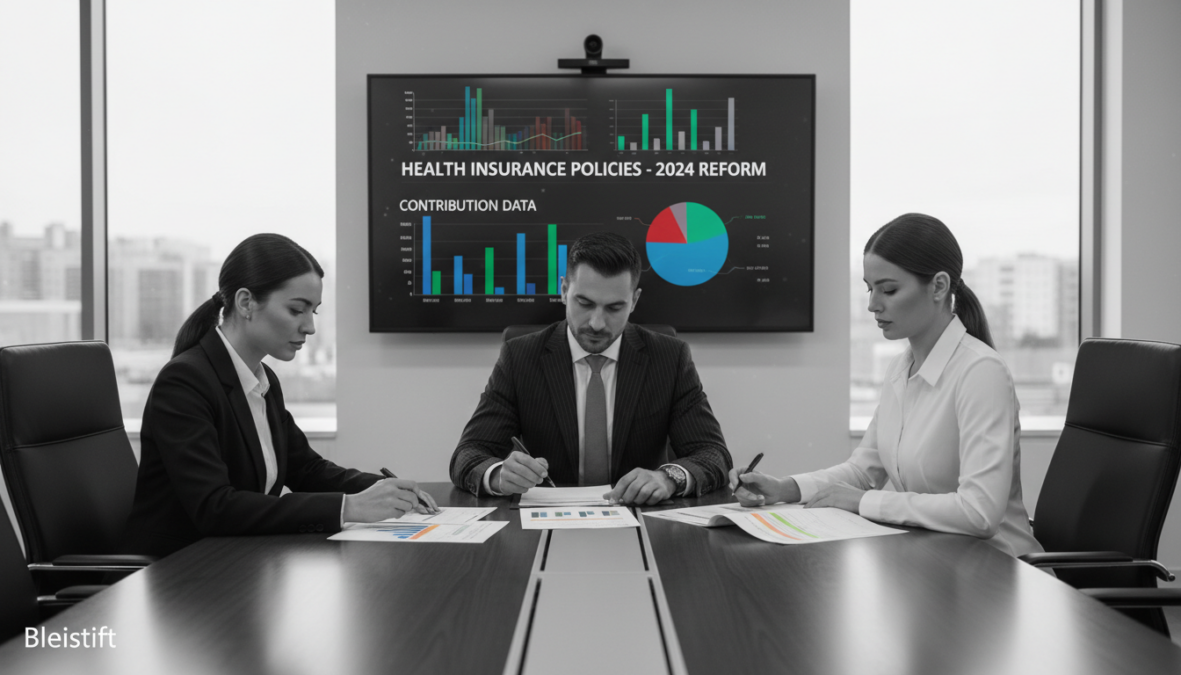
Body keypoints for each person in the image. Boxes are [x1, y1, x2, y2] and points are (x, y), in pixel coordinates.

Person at [732, 214, 1042, 557]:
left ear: (939, 287)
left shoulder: (981, 372)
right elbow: (863, 471)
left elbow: (979, 512)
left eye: (889, 289)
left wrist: (866, 502)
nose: (872, 304)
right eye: (870, 288)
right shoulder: (901, 368)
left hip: (1001, 571)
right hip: (938, 560)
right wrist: (785, 489)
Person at [123, 233, 436, 558]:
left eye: (312, 312)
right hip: (177, 574)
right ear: (246, 303)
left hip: (235, 563)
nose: (309, 328)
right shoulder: (185, 382)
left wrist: (382, 491)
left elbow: (305, 470)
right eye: (296, 310)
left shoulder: (262, 379)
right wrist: (350, 507)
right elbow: (215, 506)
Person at [450, 232, 732, 504]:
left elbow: (712, 454)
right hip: (545, 523)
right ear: (563, 291)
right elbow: (469, 454)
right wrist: (499, 475)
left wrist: (669, 478)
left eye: (614, 308)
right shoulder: (520, 356)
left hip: (640, 518)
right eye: (584, 303)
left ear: (634, 301)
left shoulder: (669, 358)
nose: (597, 323)